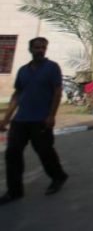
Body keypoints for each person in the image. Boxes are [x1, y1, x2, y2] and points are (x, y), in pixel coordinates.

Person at [0, 37, 69, 205]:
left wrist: (51, 115)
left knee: (45, 151)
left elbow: (57, 92)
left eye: (43, 47)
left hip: (41, 120)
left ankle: (58, 176)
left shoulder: (52, 68)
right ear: (30, 49)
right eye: (37, 47)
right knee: (12, 154)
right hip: (20, 120)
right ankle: (14, 191)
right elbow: (17, 95)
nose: (40, 50)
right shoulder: (23, 70)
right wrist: (6, 119)